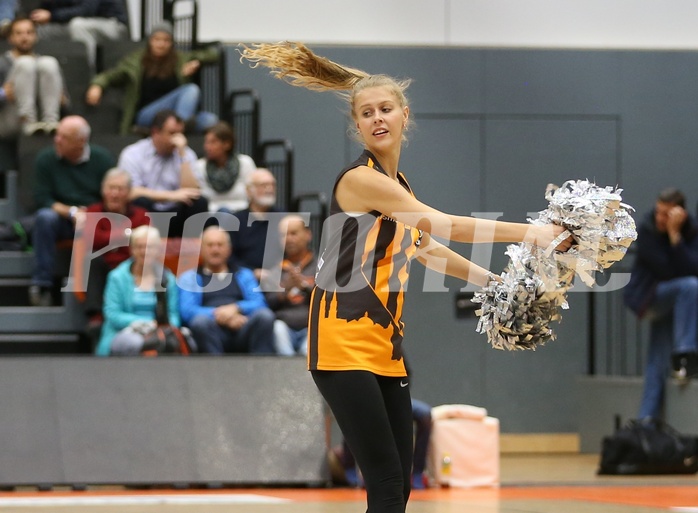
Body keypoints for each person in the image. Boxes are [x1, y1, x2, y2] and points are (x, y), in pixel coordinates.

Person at [240, 42, 571, 513]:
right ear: (357, 125)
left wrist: (492, 281)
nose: (378, 118)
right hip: (341, 344)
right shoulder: (360, 180)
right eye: (367, 112)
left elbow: (428, 248)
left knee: (401, 487)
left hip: (385, 348)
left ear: (404, 116)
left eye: (386, 109)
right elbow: (446, 226)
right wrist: (532, 234)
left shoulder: (399, 188)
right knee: (388, 483)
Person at [624, 188, 698, 421]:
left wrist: (676, 237)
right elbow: (668, 271)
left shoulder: (692, 232)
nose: (660, 218)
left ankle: (645, 423)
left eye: (667, 214)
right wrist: (675, 239)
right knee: (690, 287)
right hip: (650, 298)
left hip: (673, 301)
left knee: (656, 363)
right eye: (659, 212)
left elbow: (691, 268)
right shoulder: (646, 231)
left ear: (681, 214)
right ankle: (685, 354)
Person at [29, 115, 114, 306]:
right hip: (62, 219)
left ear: (81, 141)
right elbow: (43, 199)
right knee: (44, 217)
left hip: (94, 218)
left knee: (112, 221)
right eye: (57, 134)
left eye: (64, 137)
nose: (57, 140)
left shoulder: (102, 159)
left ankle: (99, 297)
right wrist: (73, 212)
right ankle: (42, 284)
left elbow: (110, 196)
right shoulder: (46, 159)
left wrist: (89, 214)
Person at [85, 21, 218, 135]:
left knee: (211, 120)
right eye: (157, 39)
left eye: (166, 40)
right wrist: (97, 85)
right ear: (150, 41)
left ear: (171, 43)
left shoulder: (181, 59)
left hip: (175, 112)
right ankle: (176, 130)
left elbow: (214, 54)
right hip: (147, 115)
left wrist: (197, 61)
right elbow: (111, 75)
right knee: (191, 90)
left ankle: (172, 128)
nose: (161, 44)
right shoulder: (135, 61)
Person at [177, 226, 276, 355]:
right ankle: (214, 371)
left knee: (265, 316)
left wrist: (236, 308)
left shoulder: (244, 274)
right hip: (211, 330)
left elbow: (260, 303)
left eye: (220, 245)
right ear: (201, 249)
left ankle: (262, 369)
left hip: (242, 327)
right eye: (210, 245)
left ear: (229, 249)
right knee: (200, 321)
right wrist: (220, 315)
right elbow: (187, 311)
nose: (215, 249)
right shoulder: (189, 278)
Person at [77, 167, 149, 332]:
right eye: (111, 188)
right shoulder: (93, 211)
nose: (115, 194)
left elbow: (145, 241)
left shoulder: (141, 215)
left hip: (132, 266)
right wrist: (126, 234)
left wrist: (108, 238)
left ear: (129, 192)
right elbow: (91, 239)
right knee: (93, 261)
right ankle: (96, 317)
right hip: (104, 266)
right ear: (103, 190)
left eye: (120, 189)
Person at [117, 109, 207, 238]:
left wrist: (182, 155)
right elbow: (131, 192)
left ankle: (190, 250)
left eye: (181, 133)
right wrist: (171, 196)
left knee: (199, 202)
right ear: (155, 132)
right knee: (140, 201)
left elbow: (192, 192)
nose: (178, 139)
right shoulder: (133, 153)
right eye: (172, 133)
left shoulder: (186, 153)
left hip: (176, 213)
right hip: (149, 212)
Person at [95, 225, 180, 356]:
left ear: (157, 250)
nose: (144, 251)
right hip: (123, 331)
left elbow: (173, 315)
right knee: (138, 343)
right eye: (139, 246)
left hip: (159, 332)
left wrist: (163, 327)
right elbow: (112, 314)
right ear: (132, 250)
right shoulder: (117, 277)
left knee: (170, 341)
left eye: (150, 247)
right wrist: (145, 324)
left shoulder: (167, 278)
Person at [332, 399, 432, 490]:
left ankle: (417, 473)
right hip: (368, 395)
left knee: (424, 413)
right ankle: (350, 470)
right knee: (353, 412)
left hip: (394, 392)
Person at [0, 17, 65, 137]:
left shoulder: (46, 65)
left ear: (36, 36)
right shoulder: (2, 62)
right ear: (10, 38)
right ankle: (28, 121)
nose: (25, 37)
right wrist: (3, 93)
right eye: (19, 33)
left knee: (48, 63)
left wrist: (60, 97)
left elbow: (64, 101)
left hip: (42, 118)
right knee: (26, 63)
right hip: (9, 118)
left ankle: (51, 122)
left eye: (29, 32)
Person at [28, 0, 129, 70]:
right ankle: (40, 69)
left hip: (113, 25)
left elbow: (86, 10)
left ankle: (86, 71)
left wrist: (51, 15)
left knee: (78, 25)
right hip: (83, 23)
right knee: (42, 30)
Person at [266, 214, 315, 356]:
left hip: (312, 326)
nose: (288, 239)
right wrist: (285, 289)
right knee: (277, 327)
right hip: (284, 326)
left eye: (293, 233)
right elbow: (268, 304)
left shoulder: (321, 266)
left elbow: (330, 301)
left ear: (308, 235)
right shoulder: (274, 270)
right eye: (283, 235)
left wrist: (304, 286)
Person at [228, 167, 283, 280]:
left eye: (272, 185)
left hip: (280, 277)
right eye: (263, 185)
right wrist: (252, 272)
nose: (269, 189)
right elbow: (229, 257)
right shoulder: (235, 221)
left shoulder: (284, 218)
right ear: (249, 191)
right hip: (245, 278)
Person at [193, 121, 257, 213]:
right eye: (206, 142)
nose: (207, 147)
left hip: (242, 216)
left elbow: (253, 194)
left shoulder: (245, 163)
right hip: (210, 218)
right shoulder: (199, 166)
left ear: (227, 144)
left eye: (213, 142)